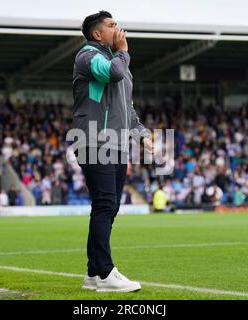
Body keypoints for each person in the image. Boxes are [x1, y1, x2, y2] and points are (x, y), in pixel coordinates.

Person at [71, 10, 153, 292]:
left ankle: (93, 273)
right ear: (97, 34)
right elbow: (115, 72)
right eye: (111, 25)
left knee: (108, 207)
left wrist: (141, 135)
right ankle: (106, 273)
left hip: (116, 144)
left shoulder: (118, 62)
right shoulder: (88, 56)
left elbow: (127, 108)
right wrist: (123, 53)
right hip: (94, 140)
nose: (118, 28)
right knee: (105, 205)